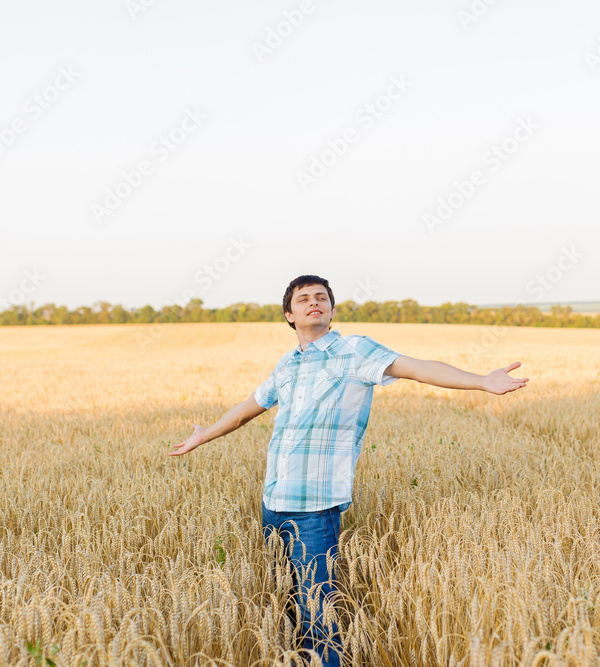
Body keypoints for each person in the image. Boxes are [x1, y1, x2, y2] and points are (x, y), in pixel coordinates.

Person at [168, 274, 528, 666]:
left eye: (321, 297)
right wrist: (204, 435)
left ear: (332, 310)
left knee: (318, 621)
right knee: (287, 606)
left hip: (315, 510)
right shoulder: (287, 364)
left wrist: (480, 381)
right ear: (290, 315)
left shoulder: (355, 351)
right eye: (303, 299)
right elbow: (246, 409)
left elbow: (417, 367)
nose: (313, 302)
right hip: (272, 502)